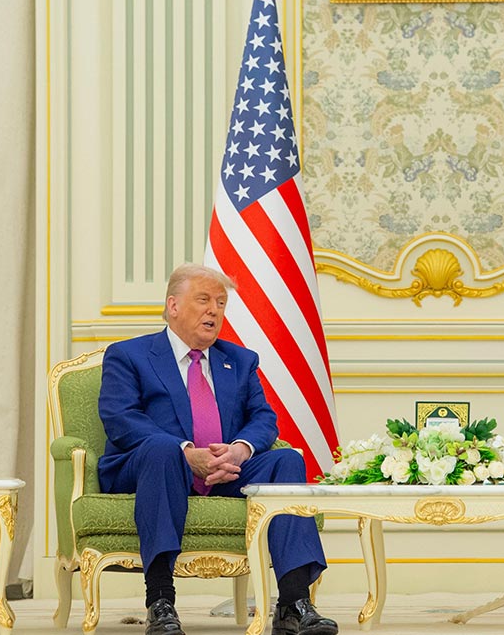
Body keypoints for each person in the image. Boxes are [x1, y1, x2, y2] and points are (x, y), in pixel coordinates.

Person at [97, 264, 338, 635]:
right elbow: (120, 418)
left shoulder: (239, 360)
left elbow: (263, 418)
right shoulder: (130, 355)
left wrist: (239, 450)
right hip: (154, 468)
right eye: (204, 300)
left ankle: (294, 603)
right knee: (162, 448)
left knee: (287, 460)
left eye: (221, 303)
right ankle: (160, 601)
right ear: (173, 305)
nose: (214, 310)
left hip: (226, 470)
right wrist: (185, 452)